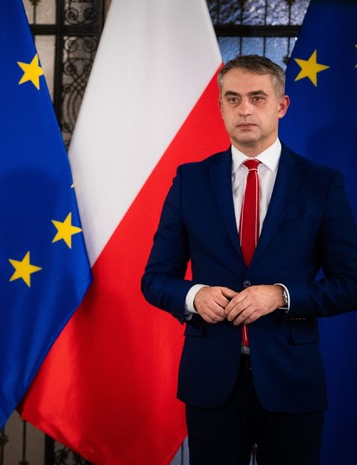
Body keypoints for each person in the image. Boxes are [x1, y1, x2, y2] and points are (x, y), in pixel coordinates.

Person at [141, 55, 357, 465]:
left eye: (257, 98)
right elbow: (155, 278)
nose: (244, 109)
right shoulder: (190, 181)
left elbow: (351, 282)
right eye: (233, 98)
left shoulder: (321, 184)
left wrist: (281, 296)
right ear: (220, 107)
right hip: (211, 382)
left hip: (292, 380)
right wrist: (194, 296)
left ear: (281, 106)